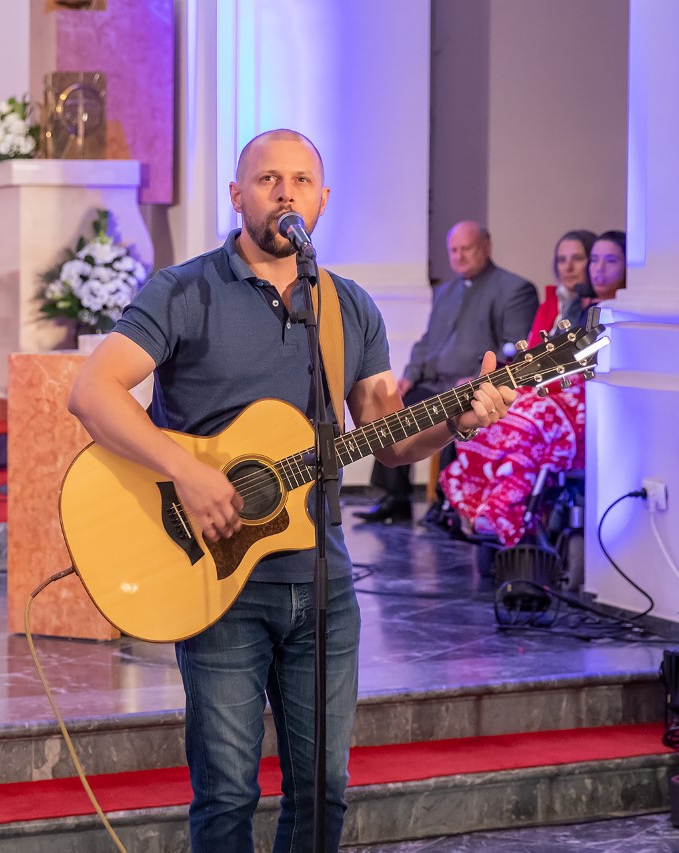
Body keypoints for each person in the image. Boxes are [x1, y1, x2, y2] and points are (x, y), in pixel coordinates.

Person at [66, 129, 514, 852]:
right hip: (216, 578)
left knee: (322, 790)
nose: (285, 192)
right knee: (227, 794)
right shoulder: (183, 290)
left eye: (301, 180)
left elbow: (387, 437)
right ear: (236, 194)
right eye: (268, 178)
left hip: (323, 581)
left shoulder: (348, 305)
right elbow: (93, 391)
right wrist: (188, 471)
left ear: (322, 200)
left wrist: (456, 420)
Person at [441, 230, 625, 545]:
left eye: (609, 260)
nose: (598, 268)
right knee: (487, 412)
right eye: (594, 260)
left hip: (590, 401)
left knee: (525, 420)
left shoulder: (621, 312)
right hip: (551, 391)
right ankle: (481, 505)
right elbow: (534, 359)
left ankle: (506, 510)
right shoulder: (574, 305)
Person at [356, 220, 538, 523]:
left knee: (459, 409)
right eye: (454, 250)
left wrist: (479, 377)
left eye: (467, 248)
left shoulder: (515, 289)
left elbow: (514, 347)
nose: (459, 256)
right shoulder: (445, 292)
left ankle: (446, 505)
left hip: (472, 386)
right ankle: (395, 498)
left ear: (486, 247)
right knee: (396, 411)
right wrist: (410, 375)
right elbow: (428, 342)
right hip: (435, 382)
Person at [528, 229, 595, 345]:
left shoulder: (599, 307)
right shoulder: (549, 304)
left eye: (577, 258)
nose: (568, 267)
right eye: (562, 260)